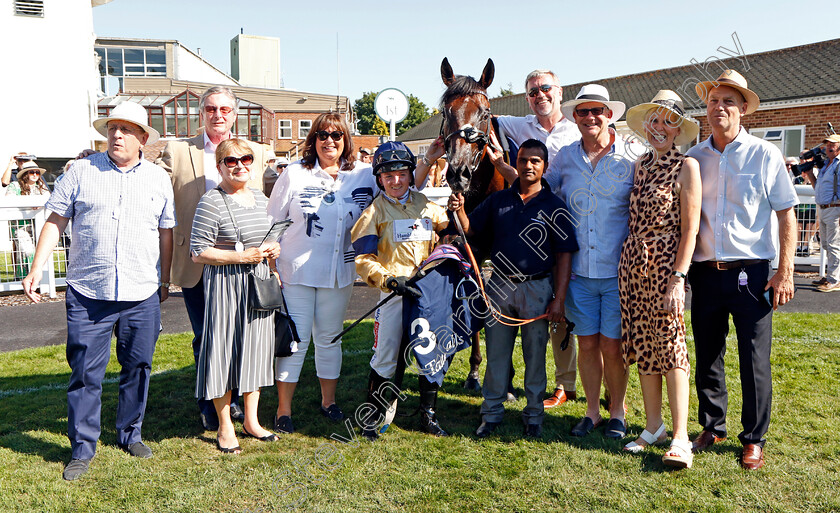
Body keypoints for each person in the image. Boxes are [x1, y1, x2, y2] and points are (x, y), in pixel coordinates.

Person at [21, 101, 175, 481]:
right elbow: (56, 218)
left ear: (143, 138)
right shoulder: (80, 172)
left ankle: (130, 433)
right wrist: (37, 267)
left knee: (137, 367)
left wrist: (164, 279)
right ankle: (81, 448)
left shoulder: (158, 179)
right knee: (86, 374)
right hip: (89, 293)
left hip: (141, 292)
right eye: (112, 128)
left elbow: (166, 231)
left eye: (126, 129)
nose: (117, 135)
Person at [687, 69, 797, 470]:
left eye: (728, 101)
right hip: (705, 272)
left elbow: (787, 215)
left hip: (752, 272)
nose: (719, 107)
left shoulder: (764, 154)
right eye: (714, 101)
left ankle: (753, 438)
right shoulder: (694, 157)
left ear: (743, 109)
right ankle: (712, 426)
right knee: (708, 353)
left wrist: (785, 272)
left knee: (754, 358)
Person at [449, 138, 578, 439]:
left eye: (535, 161)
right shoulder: (499, 201)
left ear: (545, 167)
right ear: (515, 163)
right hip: (500, 286)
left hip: (538, 288)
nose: (528, 165)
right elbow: (470, 229)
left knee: (535, 356)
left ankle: (534, 415)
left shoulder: (554, 206)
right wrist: (461, 210)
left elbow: (564, 255)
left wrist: (558, 300)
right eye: (523, 160)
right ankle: (491, 412)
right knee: (496, 355)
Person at [158, 86, 270, 430]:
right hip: (198, 261)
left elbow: (267, 200)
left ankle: (235, 400)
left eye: (224, 109)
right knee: (207, 336)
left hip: (245, 267)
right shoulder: (177, 151)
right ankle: (209, 402)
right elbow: (153, 189)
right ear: (201, 112)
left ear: (234, 113)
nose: (217, 115)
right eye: (210, 109)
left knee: (242, 334)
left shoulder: (257, 152)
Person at [268, 112, 376, 433]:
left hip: (339, 273)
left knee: (330, 339)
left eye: (337, 135)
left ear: (346, 140)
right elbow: (273, 221)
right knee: (296, 341)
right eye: (323, 135)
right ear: (313, 140)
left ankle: (328, 402)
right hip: (296, 272)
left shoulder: (363, 174)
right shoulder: (294, 174)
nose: (330, 141)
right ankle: (283, 409)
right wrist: (269, 264)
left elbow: (397, 189)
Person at [547, 84, 643, 439]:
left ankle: (616, 411)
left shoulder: (632, 156)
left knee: (612, 344)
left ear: (610, 115)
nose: (590, 117)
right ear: (574, 117)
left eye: (597, 111)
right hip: (578, 274)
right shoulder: (565, 157)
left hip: (619, 273)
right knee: (586, 343)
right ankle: (592, 411)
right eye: (583, 112)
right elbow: (538, 188)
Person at [619, 91, 701, 468]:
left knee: (672, 347)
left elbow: (690, 231)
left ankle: (681, 436)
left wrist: (677, 279)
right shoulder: (640, 165)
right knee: (643, 343)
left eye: (669, 121)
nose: (659, 127)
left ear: (679, 129)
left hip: (667, 264)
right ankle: (654, 426)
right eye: (655, 119)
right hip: (634, 264)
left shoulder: (688, 167)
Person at [351, 141, 450, 439]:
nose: (396, 181)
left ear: (411, 175)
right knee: (385, 355)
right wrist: (389, 280)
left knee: (429, 351)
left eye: (402, 174)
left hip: (426, 294)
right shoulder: (373, 212)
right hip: (394, 292)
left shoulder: (427, 205)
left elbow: (449, 231)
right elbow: (364, 258)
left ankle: (428, 414)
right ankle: (374, 414)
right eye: (388, 176)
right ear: (379, 178)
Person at [190, 139, 282, 454]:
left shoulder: (259, 197)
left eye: (245, 158)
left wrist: (273, 252)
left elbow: (267, 237)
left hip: (258, 283)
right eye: (231, 161)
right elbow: (198, 252)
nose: (239, 165)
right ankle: (225, 424)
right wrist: (242, 258)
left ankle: (252, 421)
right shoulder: (211, 201)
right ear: (219, 167)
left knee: (256, 349)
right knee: (223, 353)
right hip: (225, 285)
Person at [496, 69, 580, 409]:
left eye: (545, 88)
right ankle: (564, 384)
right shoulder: (519, 126)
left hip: (572, 227)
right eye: (532, 91)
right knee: (553, 309)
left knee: (577, 312)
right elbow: (484, 116)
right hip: (534, 236)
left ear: (559, 91)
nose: (539, 95)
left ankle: (584, 384)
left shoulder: (577, 128)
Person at [803, 134, 840, 291]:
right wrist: (810, 173)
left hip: (835, 208)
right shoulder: (825, 165)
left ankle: (834, 279)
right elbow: (817, 187)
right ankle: (832, 276)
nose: (829, 147)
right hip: (823, 208)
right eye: (827, 144)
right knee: (825, 244)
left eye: (833, 144)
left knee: (833, 244)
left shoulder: (839, 165)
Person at [5, 161, 51, 279]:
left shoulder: (42, 187)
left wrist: (40, 205)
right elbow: (9, 201)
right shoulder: (14, 186)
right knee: (26, 251)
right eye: (32, 172)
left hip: (39, 225)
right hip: (20, 225)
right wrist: (29, 204)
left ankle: (39, 278)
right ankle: (23, 278)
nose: (35, 175)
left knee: (40, 251)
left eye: (37, 172)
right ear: (25, 174)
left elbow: (49, 200)